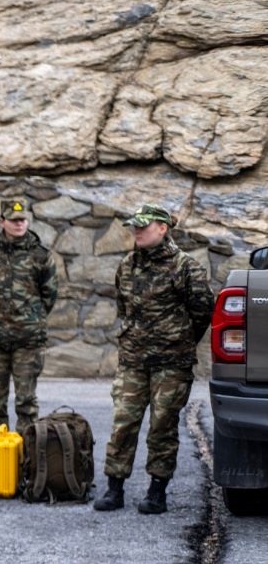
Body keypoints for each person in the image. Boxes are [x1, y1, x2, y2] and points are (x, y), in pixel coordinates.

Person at [93, 203, 213, 515]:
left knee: (162, 426)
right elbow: (124, 307)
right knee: (123, 423)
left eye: (143, 226)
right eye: (134, 226)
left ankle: (157, 491)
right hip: (133, 359)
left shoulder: (186, 267)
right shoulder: (128, 264)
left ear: (163, 228)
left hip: (171, 364)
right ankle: (114, 488)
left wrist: (177, 340)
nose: (136, 231)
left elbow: (202, 312)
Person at [0, 198, 58, 437]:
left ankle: (27, 456)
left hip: (28, 340)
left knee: (26, 401)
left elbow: (49, 294)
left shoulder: (41, 255)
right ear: (2, 222)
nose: (19, 224)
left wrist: (31, 317)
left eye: (22, 219)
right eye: (13, 220)